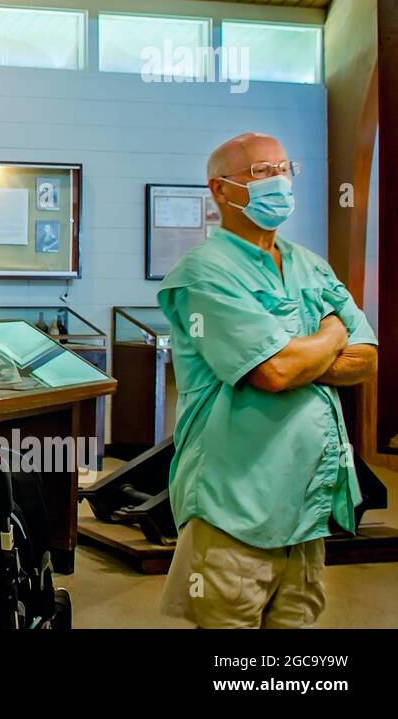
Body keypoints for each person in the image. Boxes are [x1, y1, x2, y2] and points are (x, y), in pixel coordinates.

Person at [157, 132, 377, 628]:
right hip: (234, 506)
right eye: (261, 172)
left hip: (305, 511)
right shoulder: (204, 273)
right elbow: (272, 372)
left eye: (284, 168)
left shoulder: (310, 266)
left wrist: (306, 351)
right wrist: (334, 330)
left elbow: (367, 361)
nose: (278, 181)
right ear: (220, 189)